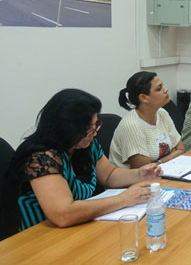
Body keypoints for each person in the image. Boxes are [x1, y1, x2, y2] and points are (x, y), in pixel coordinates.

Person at [6, 89, 162, 230]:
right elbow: (63, 214)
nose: (94, 133)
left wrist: (139, 175)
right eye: (89, 128)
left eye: (96, 125)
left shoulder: (85, 144)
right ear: (68, 128)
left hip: (79, 225)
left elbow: (109, 175)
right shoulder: (41, 157)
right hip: (39, 235)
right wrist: (123, 199)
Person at [109, 71, 185, 169]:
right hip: (132, 182)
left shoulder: (162, 113)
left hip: (163, 172)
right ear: (144, 98)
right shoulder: (131, 126)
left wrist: (159, 163)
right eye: (159, 88)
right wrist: (167, 158)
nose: (165, 90)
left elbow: (181, 149)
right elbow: (145, 171)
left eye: (163, 85)